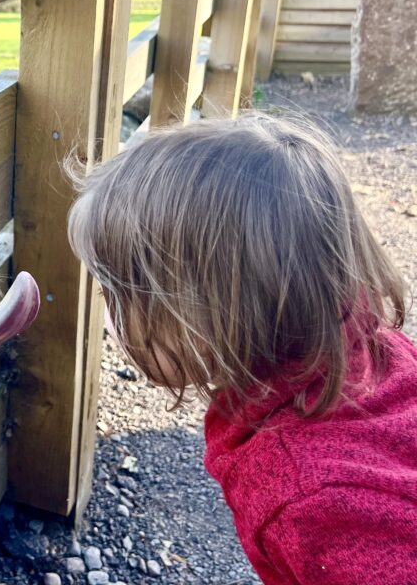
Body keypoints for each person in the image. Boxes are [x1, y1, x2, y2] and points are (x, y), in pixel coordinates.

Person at [67, 114, 416, 584]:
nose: (108, 314)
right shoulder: (371, 352)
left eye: (120, 293)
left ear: (205, 311)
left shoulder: (312, 497)